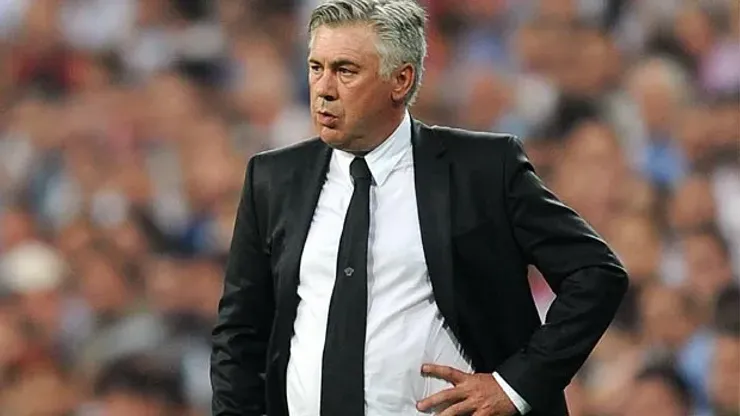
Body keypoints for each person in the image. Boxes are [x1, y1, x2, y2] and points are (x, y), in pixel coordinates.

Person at [210, 1, 628, 415]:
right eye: (316, 67)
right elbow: (240, 334)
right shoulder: (272, 179)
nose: (323, 88)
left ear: (401, 80)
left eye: (345, 70)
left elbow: (595, 274)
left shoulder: (483, 170)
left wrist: (515, 385)